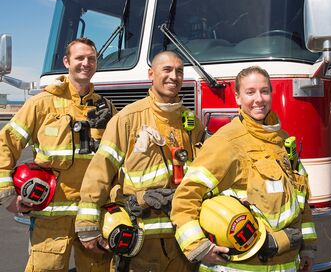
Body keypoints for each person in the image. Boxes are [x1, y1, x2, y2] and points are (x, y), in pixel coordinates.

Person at [171, 66, 317, 272]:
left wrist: (308, 248)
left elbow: (301, 200)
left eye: (264, 91)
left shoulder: (282, 140)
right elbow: (185, 198)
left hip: (287, 264)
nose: (259, 99)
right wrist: (198, 247)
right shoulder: (226, 142)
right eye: (250, 92)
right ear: (237, 98)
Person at [75, 50, 205, 272]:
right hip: (141, 243)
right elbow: (100, 172)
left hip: (183, 240)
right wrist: (87, 225)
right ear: (151, 74)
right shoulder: (127, 119)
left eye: (179, 71)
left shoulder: (191, 122)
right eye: (167, 70)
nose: (174, 76)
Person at [0, 37, 116, 271]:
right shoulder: (41, 104)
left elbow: (117, 160)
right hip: (50, 216)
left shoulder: (107, 108)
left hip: (93, 214)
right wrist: (8, 197)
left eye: (91, 59)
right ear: (67, 62)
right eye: (79, 58)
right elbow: (6, 142)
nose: (86, 63)